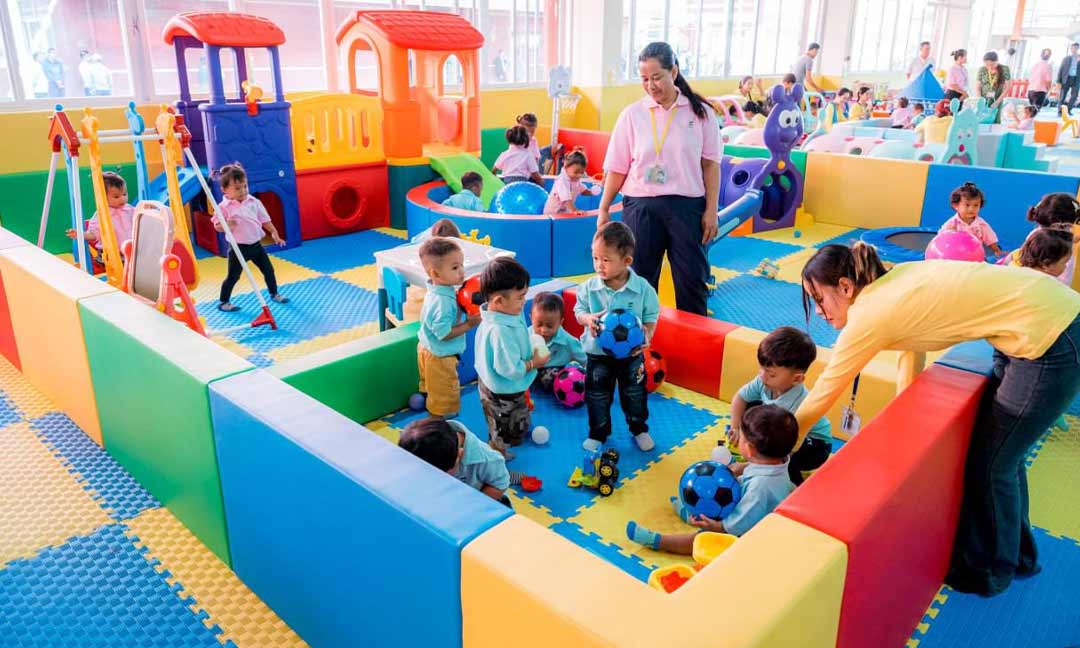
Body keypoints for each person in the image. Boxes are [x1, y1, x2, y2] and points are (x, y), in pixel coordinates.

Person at [795, 241, 1080, 596]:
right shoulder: (892, 283)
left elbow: (827, 387)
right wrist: (904, 413)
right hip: (1037, 323)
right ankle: (1019, 556)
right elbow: (911, 344)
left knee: (993, 465)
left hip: (1052, 337)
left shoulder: (869, 314)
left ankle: (991, 570)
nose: (819, 311)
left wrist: (786, 442)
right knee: (1006, 454)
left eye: (818, 298)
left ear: (845, 287)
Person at [598, 42, 721, 316]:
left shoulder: (701, 112)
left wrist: (711, 209)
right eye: (644, 79)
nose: (650, 86)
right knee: (637, 283)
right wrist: (604, 207)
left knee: (692, 281)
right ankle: (637, 339)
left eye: (656, 77)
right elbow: (617, 167)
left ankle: (694, 339)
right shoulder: (632, 115)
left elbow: (711, 165)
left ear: (673, 72)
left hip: (687, 208)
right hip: (641, 207)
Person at [625, 404, 798, 553]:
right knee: (719, 497)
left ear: (750, 449)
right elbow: (760, 472)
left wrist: (718, 527)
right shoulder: (778, 461)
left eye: (741, 437)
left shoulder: (759, 489)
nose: (737, 438)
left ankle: (659, 541)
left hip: (749, 533)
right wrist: (742, 467)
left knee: (702, 539)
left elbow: (739, 524)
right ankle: (693, 514)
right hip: (752, 510)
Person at [575, 222, 660, 453]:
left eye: (606, 260)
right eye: (595, 258)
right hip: (598, 355)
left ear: (626, 261)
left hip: (631, 356)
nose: (598, 265)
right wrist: (587, 318)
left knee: (635, 393)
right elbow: (578, 310)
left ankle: (639, 429)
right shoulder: (589, 288)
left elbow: (651, 315)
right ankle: (598, 433)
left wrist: (647, 333)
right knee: (597, 395)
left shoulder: (643, 289)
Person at [727, 326, 832, 485]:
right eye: (762, 368)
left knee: (787, 463)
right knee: (751, 407)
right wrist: (735, 428)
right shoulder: (763, 381)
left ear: (796, 379)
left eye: (771, 374)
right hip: (781, 431)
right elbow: (740, 398)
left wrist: (746, 467)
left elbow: (783, 453)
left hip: (813, 445)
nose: (762, 376)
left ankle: (791, 487)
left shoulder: (797, 406)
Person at [474, 257, 546, 458]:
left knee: (499, 418)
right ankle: (498, 453)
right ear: (499, 301)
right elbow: (510, 370)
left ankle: (505, 435)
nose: (524, 301)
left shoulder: (503, 312)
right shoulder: (500, 330)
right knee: (502, 424)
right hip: (502, 389)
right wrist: (534, 363)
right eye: (520, 297)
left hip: (493, 382)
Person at [416, 237, 480, 418]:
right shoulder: (443, 302)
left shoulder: (436, 290)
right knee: (445, 399)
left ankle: (428, 397)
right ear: (435, 274)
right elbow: (443, 334)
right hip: (440, 358)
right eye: (455, 268)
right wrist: (469, 324)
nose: (462, 272)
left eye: (461, 265)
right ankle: (438, 421)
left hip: (426, 348)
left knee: (431, 385)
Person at [214, 163, 289, 312]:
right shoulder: (223, 207)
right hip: (238, 248)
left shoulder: (254, 202)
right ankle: (223, 301)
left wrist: (275, 233)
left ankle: (274, 293)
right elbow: (217, 226)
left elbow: (265, 220)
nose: (243, 191)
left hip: (256, 246)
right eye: (237, 188)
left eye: (245, 186)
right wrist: (226, 224)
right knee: (233, 276)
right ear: (224, 190)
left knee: (268, 270)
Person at [398, 417, 512, 505]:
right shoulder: (419, 446)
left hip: (482, 501)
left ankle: (515, 476)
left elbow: (499, 485)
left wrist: (474, 505)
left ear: (460, 455)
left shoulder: (488, 459)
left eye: (443, 474)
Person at [65, 172, 134, 262]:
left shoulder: (130, 209)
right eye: (116, 196)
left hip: (130, 252)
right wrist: (81, 235)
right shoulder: (102, 214)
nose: (122, 199)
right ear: (103, 197)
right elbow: (94, 234)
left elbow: (141, 220)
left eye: (124, 194)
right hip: (110, 255)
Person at [1020, 192, 1080, 285]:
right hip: (1053, 287)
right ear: (1058, 224)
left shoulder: (1041, 235)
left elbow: (1068, 239)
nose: (1070, 229)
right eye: (1068, 226)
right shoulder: (1055, 245)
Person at [530, 291, 585, 391]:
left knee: (553, 377)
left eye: (549, 326)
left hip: (556, 369)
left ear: (560, 322)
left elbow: (584, 359)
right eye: (539, 324)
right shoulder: (526, 335)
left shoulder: (568, 341)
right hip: (533, 368)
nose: (544, 330)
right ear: (531, 319)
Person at [938, 182, 1003, 256]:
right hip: (955, 255)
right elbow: (940, 238)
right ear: (956, 205)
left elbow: (990, 239)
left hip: (974, 255)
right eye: (967, 205)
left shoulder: (981, 224)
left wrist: (997, 250)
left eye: (976, 205)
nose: (971, 209)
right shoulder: (952, 223)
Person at [543, 150, 600, 214]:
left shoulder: (575, 180)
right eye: (576, 172)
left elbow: (582, 190)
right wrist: (575, 210)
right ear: (566, 167)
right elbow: (566, 200)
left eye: (582, 173)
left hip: (563, 211)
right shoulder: (562, 181)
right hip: (552, 213)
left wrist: (591, 192)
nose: (579, 175)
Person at [976, 51, 1012, 118]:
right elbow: (978, 87)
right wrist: (980, 100)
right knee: (982, 118)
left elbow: (1008, 87)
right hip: (983, 98)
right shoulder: (982, 69)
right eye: (987, 65)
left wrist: (997, 102)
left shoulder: (1004, 69)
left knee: (994, 118)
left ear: (997, 61)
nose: (990, 67)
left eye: (992, 64)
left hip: (997, 98)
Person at [1057, 42, 1080, 112]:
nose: (1074, 50)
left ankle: (1069, 109)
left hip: (1076, 79)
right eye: (1073, 48)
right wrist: (1058, 81)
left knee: (1074, 95)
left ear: (1078, 49)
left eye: (1076, 48)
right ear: (1071, 49)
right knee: (1063, 95)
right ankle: (1060, 109)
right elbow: (1061, 69)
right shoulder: (1066, 58)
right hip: (1066, 78)